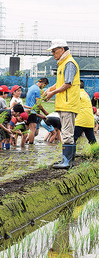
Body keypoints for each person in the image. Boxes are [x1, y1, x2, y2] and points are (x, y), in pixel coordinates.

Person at [45, 39, 81, 169]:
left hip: (68, 103)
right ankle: (68, 161)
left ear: (62, 49)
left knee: (66, 133)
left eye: (54, 51)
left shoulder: (69, 63)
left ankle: (66, 161)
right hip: (64, 104)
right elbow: (60, 83)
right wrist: (49, 90)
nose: (53, 54)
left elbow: (67, 84)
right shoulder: (62, 63)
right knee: (67, 132)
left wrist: (52, 93)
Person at [25, 78, 49, 144]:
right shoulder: (37, 90)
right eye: (44, 85)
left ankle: (22, 143)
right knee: (33, 130)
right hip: (32, 112)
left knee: (26, 130)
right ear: (43, 83)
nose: (43, 87)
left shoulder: (32, 87)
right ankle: (31, 146)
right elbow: (38, 103)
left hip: (26, 111)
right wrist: (45, 112)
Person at [74, 80, 97, 144]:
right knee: (92, 141)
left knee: (72, 139)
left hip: (80, 121)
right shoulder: (85, 94)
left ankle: (69, 153)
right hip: (89, 121)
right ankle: (96, 153)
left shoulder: (78, 94)